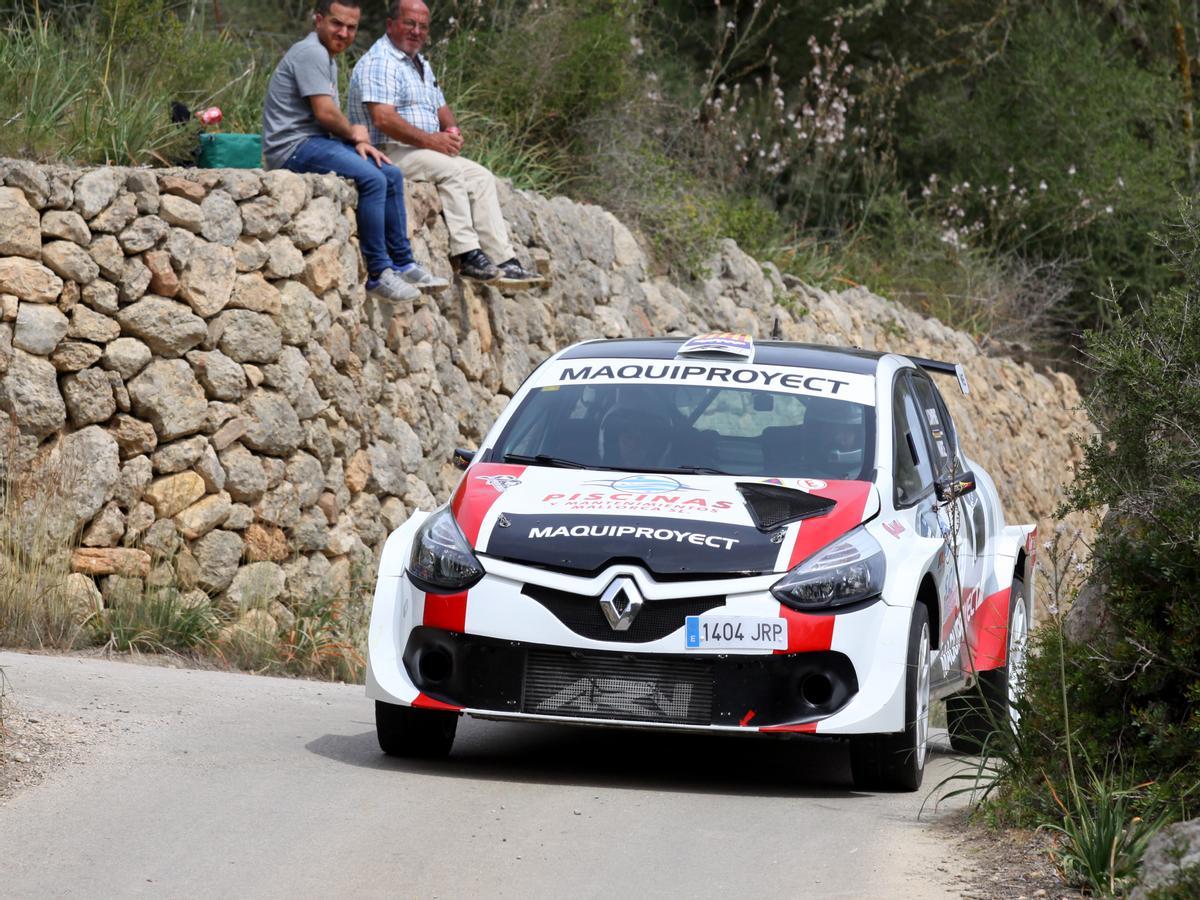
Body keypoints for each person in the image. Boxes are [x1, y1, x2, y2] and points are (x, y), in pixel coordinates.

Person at [261, 0, 448, 304]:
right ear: (318, 20)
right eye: (337, 23)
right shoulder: (312, 52)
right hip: (292, 147)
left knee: (389, 171)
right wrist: (355, 133)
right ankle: (379, 273)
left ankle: (403, 262)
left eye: (351, 27)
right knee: (372, 178)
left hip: (314, 141)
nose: (344, 32)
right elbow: (324, 112)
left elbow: (326, 117)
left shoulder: (328, 57)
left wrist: (357, 142)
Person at [347, 0, 542, 285]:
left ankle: (503, 260)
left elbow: (441, 108)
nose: (416, 31)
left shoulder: (419, 62)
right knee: (450, 171)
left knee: (481, 177)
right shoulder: (381, 62)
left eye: (423, 26)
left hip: (423, 149)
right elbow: (383, 119)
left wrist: (451, 130)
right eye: (409, 23)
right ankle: (468, 256)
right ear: (390, 25)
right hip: (387, 150)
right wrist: (432, 141)